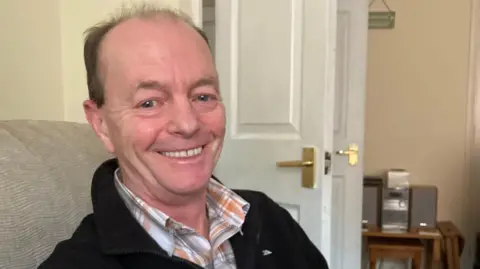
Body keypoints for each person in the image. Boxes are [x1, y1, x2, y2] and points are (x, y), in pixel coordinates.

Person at [38, 4, 329, 269]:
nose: (188, 124)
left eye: (203, 96)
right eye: (149, 102)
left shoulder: (267, 217)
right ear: (101, 124)